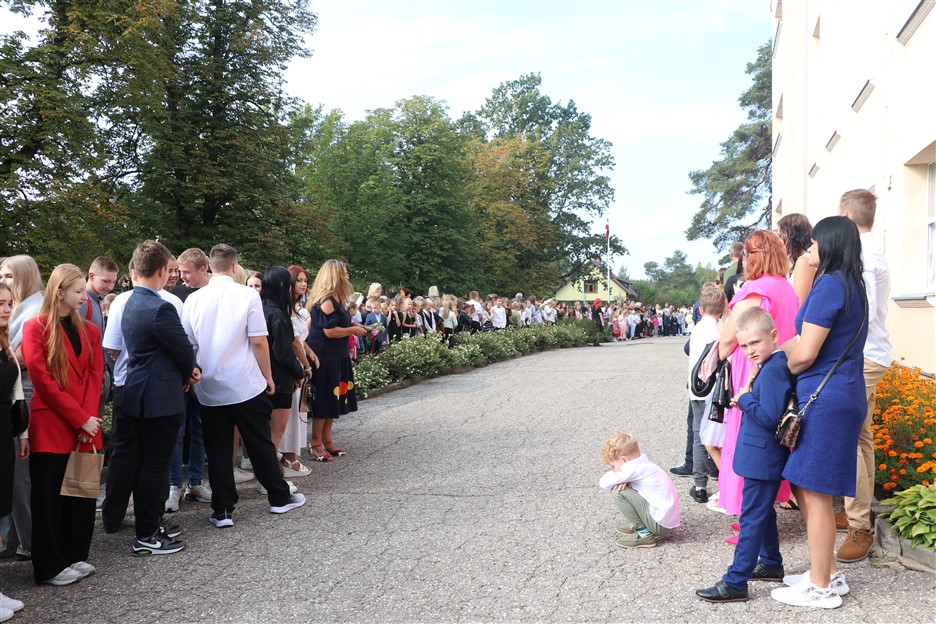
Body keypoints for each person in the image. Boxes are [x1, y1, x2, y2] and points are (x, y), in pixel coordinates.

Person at [772, 216, 868, 609]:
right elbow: (806, 341)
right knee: (807, 487)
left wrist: (774, 369)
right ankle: (827, 572)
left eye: (814, 244)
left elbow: (806, 353)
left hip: (825, 399)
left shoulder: (829, 284)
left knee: (814, 491)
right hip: (842, 394)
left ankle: (821, 587)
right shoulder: (852, 284)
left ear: (828, 245)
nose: (808, 249)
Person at [182, 244, 305, 529]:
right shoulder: (248, 295)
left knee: (218, 449)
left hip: (210, 385)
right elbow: (258, 341)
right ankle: (278, 497)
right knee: (259, 442)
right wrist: (268, 377)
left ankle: (223, 509)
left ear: (209, 267)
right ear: (235, 267)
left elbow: (190, 344)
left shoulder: (193, 300)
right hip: (245, 383)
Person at [107, 241, 199, 555]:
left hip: (138, 390)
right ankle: (147, 534)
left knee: (146, 463)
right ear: (161, 270)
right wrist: (189, 372)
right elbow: (183, 350)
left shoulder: (130, 301)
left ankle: (151, 524)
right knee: (155, 467)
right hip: (160, 395)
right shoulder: (161, 307)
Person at [696, 308, 793, 603]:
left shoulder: (774, 369)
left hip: (762, 458)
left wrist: (746, 399)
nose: (750, 350)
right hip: (759, 456)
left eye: (756, 343)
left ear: (773, 336)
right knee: (763, 512)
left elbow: (770, 417)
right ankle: (772, 563)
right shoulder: (769, 364)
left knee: (751, 517)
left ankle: (735, 581)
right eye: (744, 345)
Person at [22, 264, 104, 586]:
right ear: (59, 293)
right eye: (79, 291)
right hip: (52, 423)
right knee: (49, 498)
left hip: (85, 423)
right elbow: (43, 381)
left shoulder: (91, 330)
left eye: (84, 290)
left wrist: (87, 420)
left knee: (80, 495)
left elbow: (95, 376)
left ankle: (74, 555)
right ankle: (49, 566)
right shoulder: (34, 327)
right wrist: (81, 419)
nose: (84, 297)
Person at [716, 231, 798, 528]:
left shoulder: (755, 289)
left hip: (753, 371)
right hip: (782, 368)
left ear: (750, 257)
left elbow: (729, 341)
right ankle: (764, 512)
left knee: (748, 441)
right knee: (772, 440)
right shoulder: (786, 288)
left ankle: (749, 519)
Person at [835, 189, 893, 563]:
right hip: (870, 353)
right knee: (862, 436)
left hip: (862, 356)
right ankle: (856, 512)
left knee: (850, 439)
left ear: (845, 215)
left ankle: (860, 525)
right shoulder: (869, 250)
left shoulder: (863, 256)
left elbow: (863, 313)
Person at [0, 256, 42, 561]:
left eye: (9, 276)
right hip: (13, 394)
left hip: (22, 395)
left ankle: (29, 541)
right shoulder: (17, 307)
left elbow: (22, 358)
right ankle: (12, 540)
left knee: (18, 477)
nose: (3, 281)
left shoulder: (34, 309)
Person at [305, 260, 367, 462]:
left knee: (333, 398)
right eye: (344, 273)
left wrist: (353, 326)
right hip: (325, 357)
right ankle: (316, 443)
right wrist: (353, 330)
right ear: (336, 276)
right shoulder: (327, 300)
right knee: (324, 399)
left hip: (337, 355)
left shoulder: (337, 299)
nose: (347, 277)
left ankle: (327, 440)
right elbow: (329, 332)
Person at [165, 248, 211, 513]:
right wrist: (186, 371)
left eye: (183, 272)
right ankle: (175, 484)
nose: (179, 276)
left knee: (199, 428)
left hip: (205, 371)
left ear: (202, 268)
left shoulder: (212, 294)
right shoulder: (176, 296)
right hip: (184, 373)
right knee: (179, 431)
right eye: (176, 271)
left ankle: (195, 482)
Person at [260, 266, 306, 486]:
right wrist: (300, 372)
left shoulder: (261, 309)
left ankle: (267, 480)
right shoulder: (278, 315)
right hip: (279, 381)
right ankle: (270, 482)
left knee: (264, 435)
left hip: (261, 378)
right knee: (275, 435)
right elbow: (284, 352)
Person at [598, 432, 680, 549]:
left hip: (659, 524)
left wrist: (621, 478)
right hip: (664, 520)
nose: (613, 469)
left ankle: (643, 534)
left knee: (618, 492)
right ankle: (637, 523)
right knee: (627, 487)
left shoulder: (634, 469)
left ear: (624, 460)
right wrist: (625, 479)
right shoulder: (643, 464)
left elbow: (603, 483)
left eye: (613, 466)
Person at [685, 285, 726, 504]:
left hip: (697, 389)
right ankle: (722, 478)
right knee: (720, 436)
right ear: (722, 309)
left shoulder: (697, 329)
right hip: (716, 390)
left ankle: (700, 485)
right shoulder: (720, 329)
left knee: (699, 436)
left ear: (701, 309)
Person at [0, 282, 26, 615]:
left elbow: (15, 391)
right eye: (0, 303)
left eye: (9, 303)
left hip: (5, 435)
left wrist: (23, 432)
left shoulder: (4, 342)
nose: (7, 309)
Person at [280, 265, 315, 477]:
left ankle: (291, 457)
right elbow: (294, 341)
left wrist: (310, 353)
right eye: (299, 280)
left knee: (298, 412)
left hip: (298, 362)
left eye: (305, 280)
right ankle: (289, 459)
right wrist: (306, 366)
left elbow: (301, 340)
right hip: (291, 366)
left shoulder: (297, 308)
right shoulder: (285, 308)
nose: (303, 284)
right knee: (291, 413)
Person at [777, 213, 817, 306]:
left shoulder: (805, 261)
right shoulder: (806, 259)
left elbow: (799, 305)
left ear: (792, 235)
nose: (779, 241)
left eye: (780, 235)